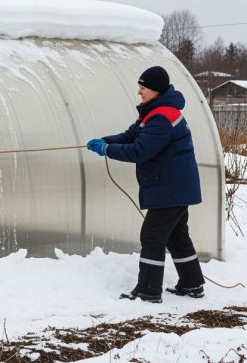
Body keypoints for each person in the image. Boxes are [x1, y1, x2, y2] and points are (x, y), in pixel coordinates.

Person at [86, 66, 205, 303]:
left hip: (170, 188)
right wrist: (105, 141)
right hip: (175, 187)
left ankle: (148, 291)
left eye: (143, 88)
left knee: (151, 237)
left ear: (156, 91)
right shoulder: (154, 112)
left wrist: (107, 150)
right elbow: (132, 135)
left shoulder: (162, 117)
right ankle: (192, 284)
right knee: (177, 236)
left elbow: (141, 150)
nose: (139, 92)